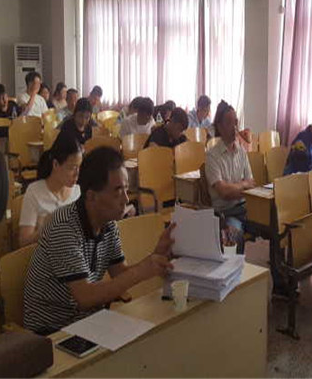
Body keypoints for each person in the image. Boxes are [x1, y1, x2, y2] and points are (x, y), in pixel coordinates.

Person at [23, 146, 174, 335]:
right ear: (91, 196)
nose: (126, 199)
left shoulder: (108, 223)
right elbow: (85, 297)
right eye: (117, 191)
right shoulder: (63, 226)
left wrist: (156, 256)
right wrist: (144, 269)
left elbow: (120, 274)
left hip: (87, 321)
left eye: (126, 189)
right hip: (51, 332)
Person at [205, 100, 255, 254]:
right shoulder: (212, 156)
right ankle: (235, 268)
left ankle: (278, 267)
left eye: (236, 122)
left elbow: (252, 183)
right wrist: (243, 185)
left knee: (273, 223)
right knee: (234, 234)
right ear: (219, 127)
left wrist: (238, 187)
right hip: (225, 212)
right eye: (229, 123)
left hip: (245, 208)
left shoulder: (241, 152)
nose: (234, 127)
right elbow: (224, 192)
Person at [18, 137, 82, 247]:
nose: (77, 174)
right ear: (56, 164)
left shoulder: (78, 192)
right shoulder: (34, 192)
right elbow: (23, 242)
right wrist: (46, 228)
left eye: (79, 167)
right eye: (72, 168)